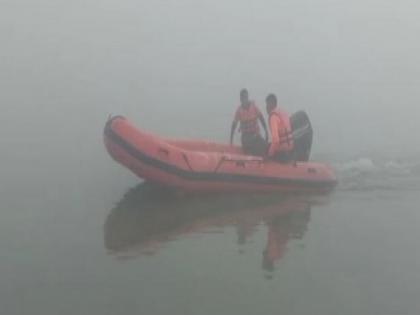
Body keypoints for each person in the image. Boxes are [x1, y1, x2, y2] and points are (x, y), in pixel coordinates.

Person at [230, 89, 268, 156]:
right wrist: (231, 140)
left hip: (255, 134)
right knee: (250, 147)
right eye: (242, 98)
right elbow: (234, 125)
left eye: (245, 97)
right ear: (240, 99)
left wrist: (266, 131)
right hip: (246, 136)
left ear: (247, 97)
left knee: (264, 146)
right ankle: (249, 153)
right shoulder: (239, 111)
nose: (244, 100)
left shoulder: (254, 107)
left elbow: (261, 118)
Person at [265, 93, 294, 162]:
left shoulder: (273, 117)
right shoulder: (282, 113)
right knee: (269, 145)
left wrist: (269, 155)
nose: (266, 107)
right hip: (290, 151)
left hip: (282, 153)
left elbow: (276, 140)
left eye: (267, 104)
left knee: (264, 148)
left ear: (272, 104)